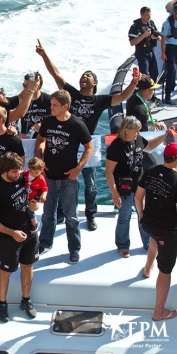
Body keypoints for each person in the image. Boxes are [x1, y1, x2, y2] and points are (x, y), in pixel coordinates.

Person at [37, 39, 140, 231]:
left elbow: (123, 96)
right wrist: (44, 55)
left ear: (95, 82)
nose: (83, 78)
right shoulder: (71, 95)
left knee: (91, 185)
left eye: (88, 76)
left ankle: (91, 215)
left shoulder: (100, 100)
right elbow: (56, 74)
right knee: (61, 182)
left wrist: (134, 83)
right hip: (67, 146)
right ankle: (61, 213)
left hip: (87, 146)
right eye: (82, 76)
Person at [35, 90, 93, 264]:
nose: (51, 107)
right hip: (49, 177)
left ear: (65, 107)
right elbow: (40, 140)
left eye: (54, 105)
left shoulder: (77, 124)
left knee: (71, 216)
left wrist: (78, 168)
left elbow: (89, 147)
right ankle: (45, 243)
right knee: (47, 214)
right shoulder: (48, 121)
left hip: (69, 179)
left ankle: (74, 249)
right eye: (51, 104)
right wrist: (40, 161)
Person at [0, 152, 40, 323]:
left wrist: (35, 205)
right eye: (14, 172)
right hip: (9, 236)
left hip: (29, 231)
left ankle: (26, 299)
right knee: (6, 271)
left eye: (19, 170)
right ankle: (2, 303)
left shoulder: (23, 178)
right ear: (5, 170)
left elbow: (37, 186)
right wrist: (12, 233)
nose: (18, 174)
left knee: (28, 266)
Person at [105, 116, 167, 258]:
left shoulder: (138, 139)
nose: (138, 133)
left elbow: (150, 146)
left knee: (144, 215)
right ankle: (123, 245)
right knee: (124, 216)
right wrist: (114, 193)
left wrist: (164, 136)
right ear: (126, 130)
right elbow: (109, 171)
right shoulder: (116, 147)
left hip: (140, 186)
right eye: (136, 130)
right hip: (125, 188)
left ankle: (147, 242)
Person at [134, 142, 177, 321]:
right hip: (167, 230)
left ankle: (147, 268)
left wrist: (141, 215)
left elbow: (138, 197)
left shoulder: (151, 170)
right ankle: (159, 312)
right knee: (165, 271)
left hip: (148, 224)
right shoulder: (175, 180)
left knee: (155, 240)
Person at [129, 7, 161, 79]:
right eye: (147, 15)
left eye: (150, 15)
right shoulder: (135, 27)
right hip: (141, 53)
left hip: (151, 51)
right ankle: (142, 89)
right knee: (144, 75)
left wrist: (155, 37)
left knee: (155, 73)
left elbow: (160, 37)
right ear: (141, 15)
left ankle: (151, 89)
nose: (149, 17)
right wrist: (144, 35)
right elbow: (132, 43)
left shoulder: (151, 23)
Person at [17, 72, 52, 139]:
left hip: (44, 140)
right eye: (24, 85)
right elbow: (9, 122)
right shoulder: (20, 101)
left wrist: (43, 125)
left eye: (27, 86)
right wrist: (18, 134)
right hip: (26, 141)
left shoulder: (49, 101)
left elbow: (58, 122)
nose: (24, 88)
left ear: (37, 86)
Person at [23, 157, 48, 232]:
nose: (33, 174)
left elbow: (45, 189)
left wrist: (44, 195)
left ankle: (35, 224)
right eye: (31, 171)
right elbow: (21, 172)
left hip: (35, 197)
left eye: (36, 172)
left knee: (30, 210)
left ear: (41, 171)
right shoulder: (26, 173)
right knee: (24, 210)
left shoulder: (41, 179)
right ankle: (27, 223)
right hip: (27, 195)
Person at [161, 6, 177, 105]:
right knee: (172, 70)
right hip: (171, 49)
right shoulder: (167, 24)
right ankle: (168, 95)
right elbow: (163, 39)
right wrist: (163, 53)